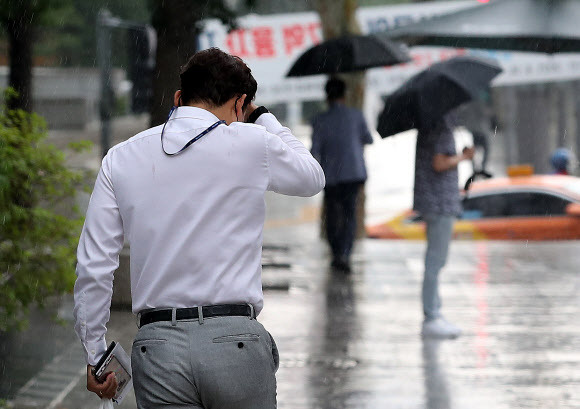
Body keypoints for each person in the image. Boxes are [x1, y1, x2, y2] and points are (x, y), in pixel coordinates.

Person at [73, 47, 325, 408]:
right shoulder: (254, 144)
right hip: (236, 344)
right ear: (240, 104)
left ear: (179, 97)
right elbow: (312, 177)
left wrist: (96, 355)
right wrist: (262, 117)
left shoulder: (121, 158)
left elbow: (94, 266)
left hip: (158, 350)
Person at [414, 115, 474, 339]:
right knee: (435, 260)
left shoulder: (429, 124)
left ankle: (434, 312)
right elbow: (439, 163)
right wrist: (464, 157)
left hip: (433, 202)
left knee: (435, 260)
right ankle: (432, 315)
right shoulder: (441, 127)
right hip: (440, 203)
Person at [311, 77, 373, 273]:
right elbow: (369, 138)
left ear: (327, 97)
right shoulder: (356, 116)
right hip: (353, 173)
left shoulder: (320, 120)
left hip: (330, 176)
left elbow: (315, 150)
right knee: (349, 214)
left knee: (331, 214)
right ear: (345, 96)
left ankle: (336, 252)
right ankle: (345, 253)